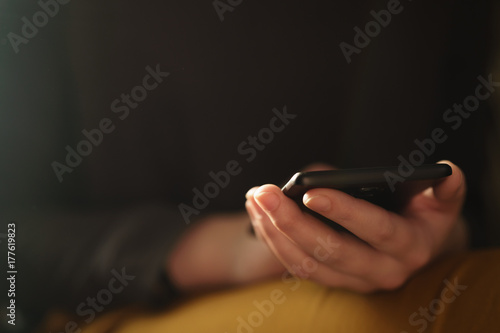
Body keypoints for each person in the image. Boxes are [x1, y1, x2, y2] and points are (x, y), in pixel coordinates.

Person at [0, 1, 498, 332]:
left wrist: (440, 234)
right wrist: (225, 253)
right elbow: (13, 246)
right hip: (123, 308)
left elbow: (469, 191)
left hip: (426, 273)